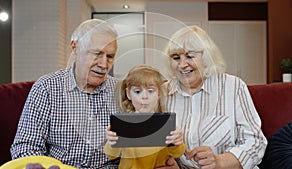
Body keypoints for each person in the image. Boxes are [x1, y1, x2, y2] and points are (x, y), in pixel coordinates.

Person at [10, 19, 120, 168]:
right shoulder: (46, 88)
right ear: (75, 48)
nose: (103, 64)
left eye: (110, 57)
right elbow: (25, 147)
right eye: (96, 54)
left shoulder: (121, 91)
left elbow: (139, 144)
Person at [161, 25, 267, 169]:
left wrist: (220, 162)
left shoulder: (233, 86)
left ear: (206, 58)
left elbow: (255, 142)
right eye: (176, 58)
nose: (183, 64)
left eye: (190, 56)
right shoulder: (162, 93)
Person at [104, 64, 186, 169]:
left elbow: (177, 153)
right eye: (138, 91)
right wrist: (112, 142)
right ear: (129, 94)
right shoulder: (124, 124)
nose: (144, 96)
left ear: (159, 93)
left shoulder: (164, 123)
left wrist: (176, 142)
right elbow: (111, 155)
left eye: (151, 91)